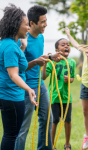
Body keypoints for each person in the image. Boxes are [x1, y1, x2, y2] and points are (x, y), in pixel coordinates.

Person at [15, 5, 61, 150]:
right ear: (32, 23)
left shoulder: (40, 37)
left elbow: (38, 57)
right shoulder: (22, 41)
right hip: (26, 88)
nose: (45, 24)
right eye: (42, 22)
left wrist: (50, 57)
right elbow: (18, 67)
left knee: (47, 120)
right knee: (23, 127)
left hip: (40, 85)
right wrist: (35, 62)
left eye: (46, 21)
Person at [0, 4, 37, 150]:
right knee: (11, 135)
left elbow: (14, 62)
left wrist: (22, 47)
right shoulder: (11, 47)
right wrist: (29, 89)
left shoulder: (8, 43)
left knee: (10, 134)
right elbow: (13, 74)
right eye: (26, 25)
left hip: (2, 92)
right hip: (10, 96)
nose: (28, 28)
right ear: (16, 25)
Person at [42, 38, 76, 150]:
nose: (66, 46)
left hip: (66, 97)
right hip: (54, 97)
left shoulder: (72, 62)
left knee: (67, 120)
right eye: (63, 44)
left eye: (68, 44)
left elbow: (72, 78)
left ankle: (67, 145)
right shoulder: (52, 62)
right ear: (57, 49)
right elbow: (44, 77)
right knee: (54, 121)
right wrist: (44, 65)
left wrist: (69, 79)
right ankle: (52, 145)